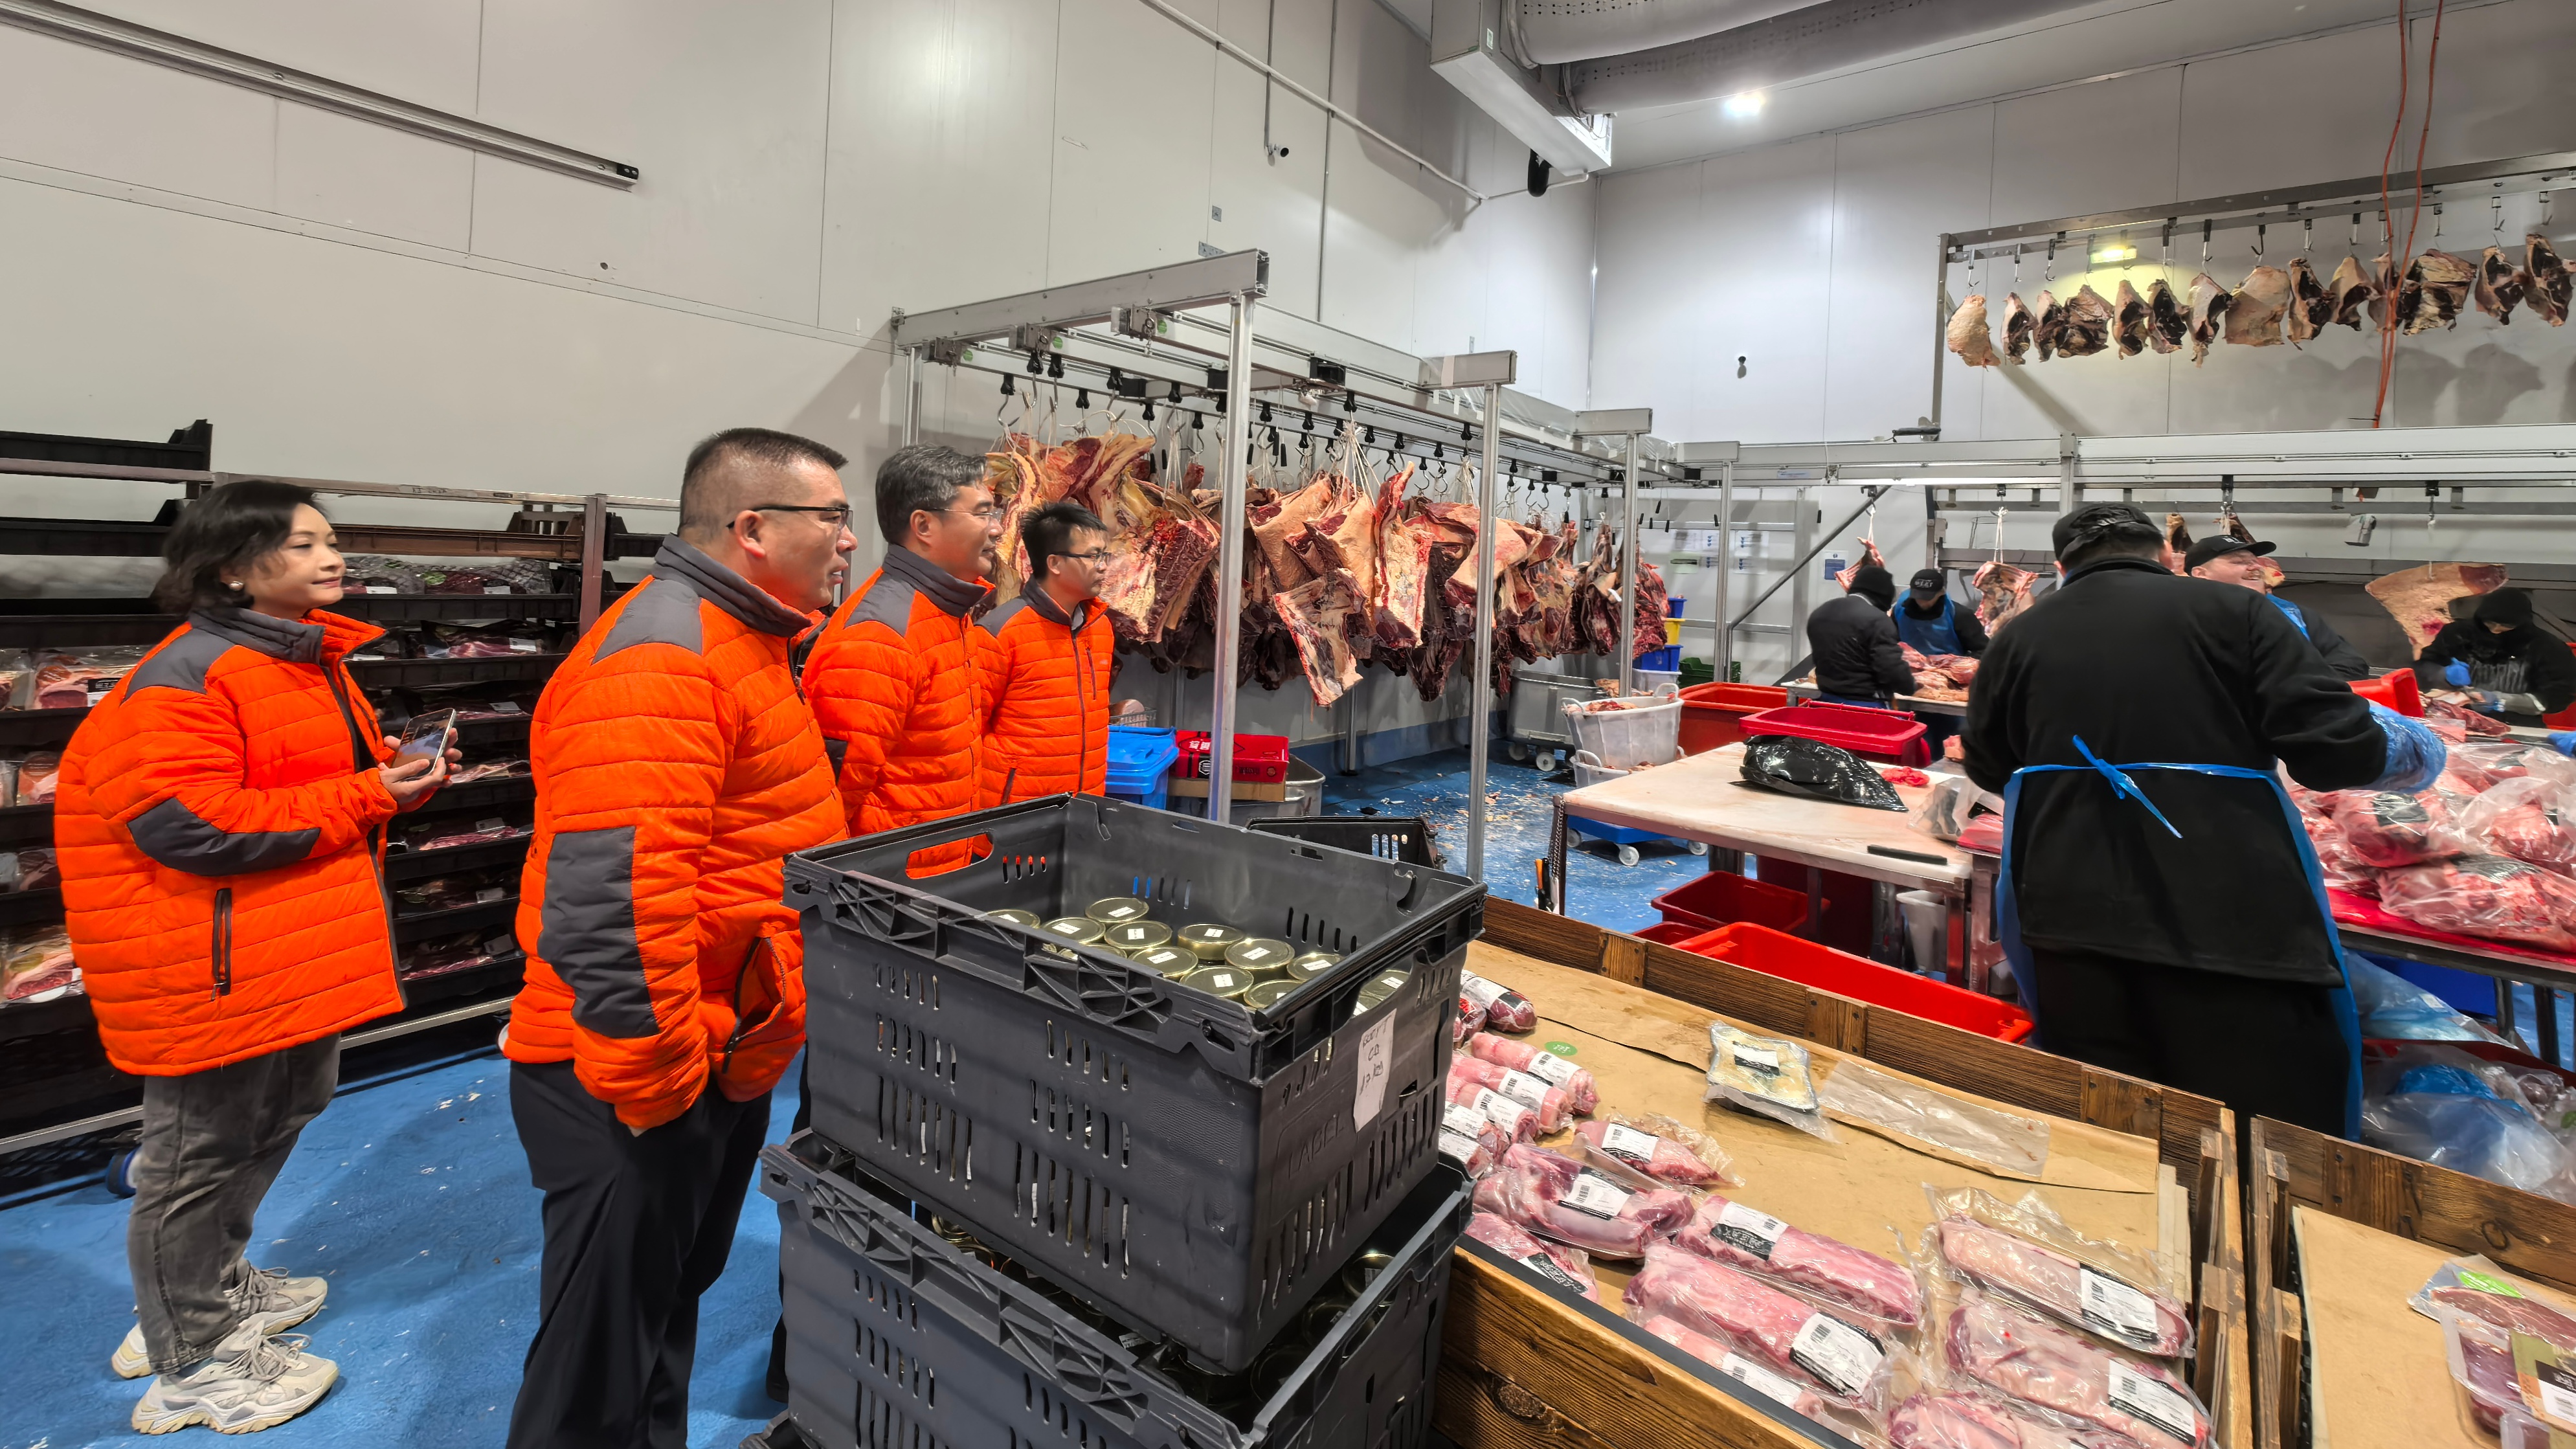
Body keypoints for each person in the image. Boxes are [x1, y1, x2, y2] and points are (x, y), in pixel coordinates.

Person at [58, 480, 453, 1433]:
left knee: (280, 1113)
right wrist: (368, 794)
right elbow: (187, 826)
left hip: (280, 942)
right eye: (303, 543)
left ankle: (211, 1285)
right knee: (195, 1157)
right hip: (208, 958)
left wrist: (392, 777)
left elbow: (301, 783)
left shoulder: (302, 659)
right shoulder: (188, 676)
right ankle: (189, 1362)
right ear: (233, 569)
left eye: (330, 539)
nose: (332, 556)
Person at [500, 427, 853, 1449]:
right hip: (634, 1067)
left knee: (658, 1316)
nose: (847, 542)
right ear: (752, 528)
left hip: (713, 1043)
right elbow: (611, 898)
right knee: (595, 1372)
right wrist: (657, 1081)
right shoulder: (665, 657)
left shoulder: (749, 639)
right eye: (831, 520)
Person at [1962, 502, 2446, 1137]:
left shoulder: (2018, 635)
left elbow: (1989, 764)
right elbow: (2337, 751)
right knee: (2267, 1137)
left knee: (2109, 1123)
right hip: (2235, 916)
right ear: (2166, 557)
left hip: (2068, 912)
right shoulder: (2239, 613)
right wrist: (2419, 748)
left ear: (2060, 567)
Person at [804, 443, 1000, 840]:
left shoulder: (947, 609)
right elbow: (834, 801)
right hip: (893, 873)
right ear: (924, 526)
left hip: (938, 862)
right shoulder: (879, 638)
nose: (996, 529)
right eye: (982, 514)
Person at [973, 500, 1117, 807]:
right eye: (1093, 556)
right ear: (1055, 563)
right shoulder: (1000, 632)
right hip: (1017, 811)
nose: (1103, 566)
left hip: (1086, 803)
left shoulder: (1100, 626)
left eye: (1105, 555)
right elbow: (969, 730)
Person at [2186, 534, 2372, 680]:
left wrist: (2305, 689)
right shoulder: (2184, 617)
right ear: (2201, 574)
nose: (2254, 567)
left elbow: (2350, 664)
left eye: (2254, 561)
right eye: (2238, 562)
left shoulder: (2295, 614)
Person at [2412, 588, 2576, 727]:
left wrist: (2501, 701)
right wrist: (2442, 674)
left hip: (2519, 725)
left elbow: (2557, 696)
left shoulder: (2547, 647)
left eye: (2506, 626)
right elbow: (2423, 668)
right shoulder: (2457, 634)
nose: (2495, 630)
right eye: (2490, 623)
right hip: (2457, 719)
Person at [1805, 563, 1914, 705]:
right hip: (1866, 705)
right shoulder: (1877, 620)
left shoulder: (1821, 612)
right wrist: (1911, 687)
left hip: (1826, 701)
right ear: (1883, 594)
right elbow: (1891, 668)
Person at [1890, 568, 1988, 658]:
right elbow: (1891, 642)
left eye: (1927, 598)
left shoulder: (1960, 615)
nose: (1922, 602)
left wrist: (1963, 666)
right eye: (1918, 597)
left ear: (1941, 593)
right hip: (1910, 664)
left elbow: (1983, 650)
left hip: (1948, 667)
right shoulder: (1899, 611)